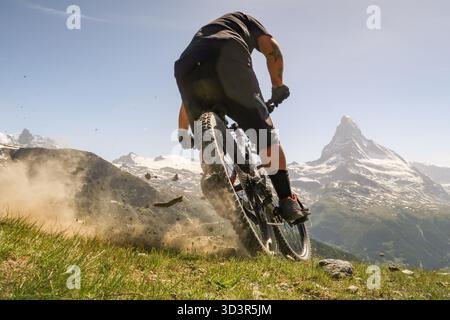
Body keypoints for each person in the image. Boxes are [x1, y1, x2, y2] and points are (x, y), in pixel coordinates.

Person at [174, 12, 307, 224]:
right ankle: (287, 200)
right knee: (264, 135)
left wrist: (182, 132)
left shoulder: (202, 37)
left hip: (186, 68)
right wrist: (277, 85)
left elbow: (186, 100)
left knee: (205, 137)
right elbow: (272, 49)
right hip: (228, 55)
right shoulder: (244, 19)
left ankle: (214, 178)